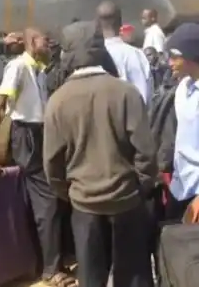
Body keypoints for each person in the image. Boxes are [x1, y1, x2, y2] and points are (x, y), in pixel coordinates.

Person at [43, 21, 157, 287]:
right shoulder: (126, 92)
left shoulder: (57, 101)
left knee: (91, 276)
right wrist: (139, 186)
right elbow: (146, 154)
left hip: (84, 204)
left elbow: (52, 165)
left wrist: (70, 193)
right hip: (127, 201)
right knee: (134, 276)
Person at [0, 28, 74, 287]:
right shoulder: (19, 67)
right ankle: (50, 269)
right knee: (47, 202)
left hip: (38, 134)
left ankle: (51, 261)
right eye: (45, 40)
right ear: (33, 43)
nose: (49, 43)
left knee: (47, 200)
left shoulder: (39, 70)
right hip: (27, 137)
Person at [163, 23, 199, 222]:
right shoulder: (182, 89)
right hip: (179, 187)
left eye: (175, 56)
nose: (170, 62)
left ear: (191, 57)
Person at [97, 1, 152, 104]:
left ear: (98, 24)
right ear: (120, 23)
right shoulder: (136, 55)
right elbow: (144, 94)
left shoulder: (93, 57)